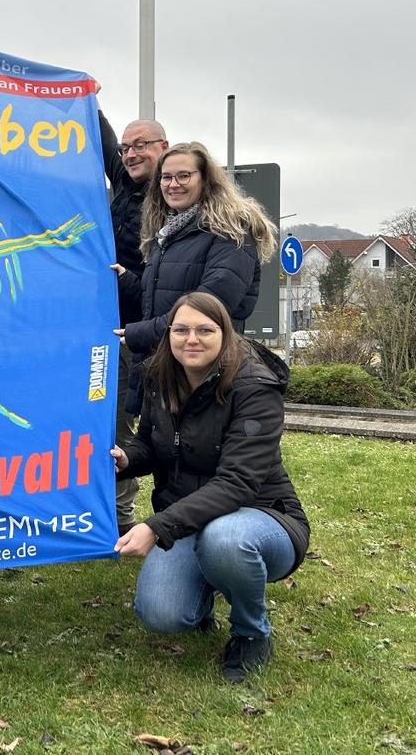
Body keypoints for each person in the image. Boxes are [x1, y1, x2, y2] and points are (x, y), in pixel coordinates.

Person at [111, 292, 309, 682]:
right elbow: (151, 444)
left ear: (225, 334)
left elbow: (237, 483)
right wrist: (127, 460)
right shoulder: (160, 377)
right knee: (161, 614)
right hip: (188, 521)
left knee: (225, 540)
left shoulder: (255, 387)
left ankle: (251, 632)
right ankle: (202, 593)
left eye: (205, 330)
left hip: (261, 517)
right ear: (169, 334)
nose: (192, 339)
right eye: (181, 330)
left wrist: (156, 527)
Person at [114, 141, 277, 415]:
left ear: (205, 179)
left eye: (184, 176)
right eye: (166, 177)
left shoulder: (230, 232)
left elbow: (208, 307)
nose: (173, 184)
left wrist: (140, 333)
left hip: (205, 375)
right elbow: (166, 296)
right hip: (169, 370)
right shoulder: (169, 232)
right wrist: (126, 281)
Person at [98, 110, 169, 535]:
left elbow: (170, 281)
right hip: (116, 327)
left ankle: (174, 513)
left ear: (164, 147)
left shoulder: (174, 199)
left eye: (141, 144)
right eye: (127, 147)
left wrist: (127, 281)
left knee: (160, 424)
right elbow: (105, 143)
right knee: (119, 422)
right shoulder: (125, 181)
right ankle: (119, 517)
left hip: (155, 332)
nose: (131, 153)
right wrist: (84, 96)